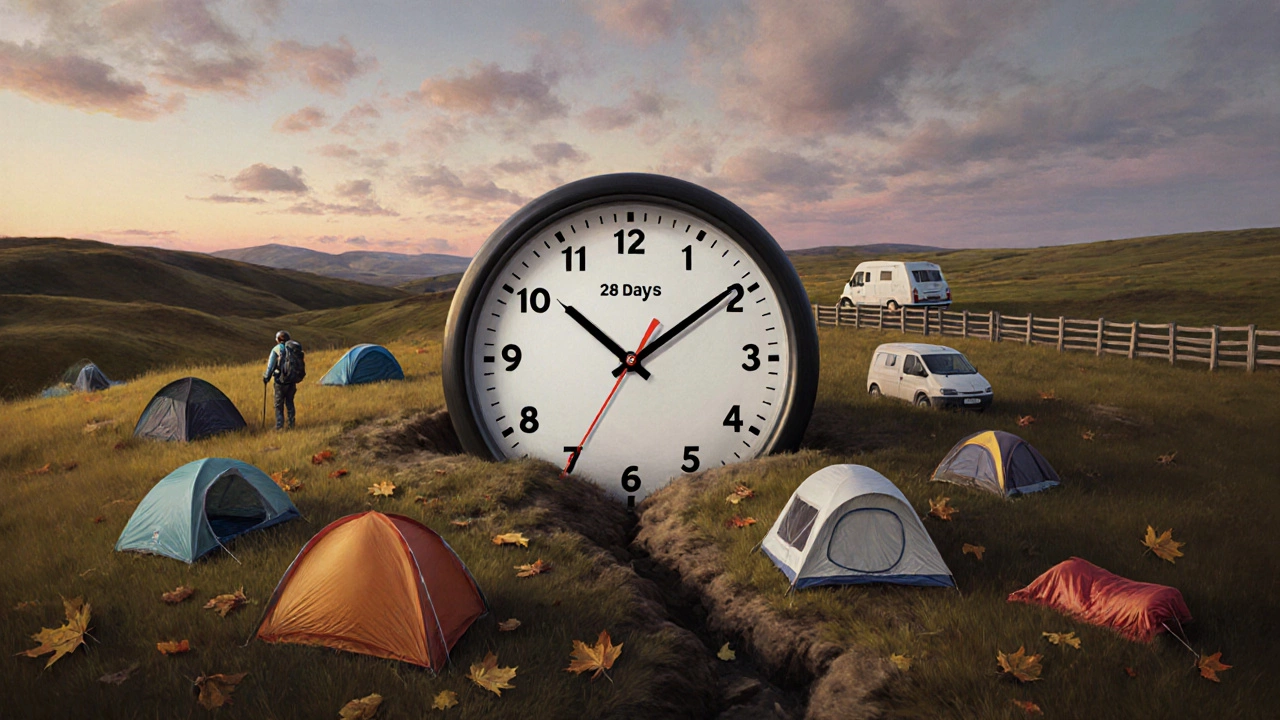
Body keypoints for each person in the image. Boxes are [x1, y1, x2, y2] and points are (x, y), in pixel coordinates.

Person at [263, 331, 299, 430]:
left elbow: (270, 367)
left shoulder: (276, 349)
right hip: (292, 380)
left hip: (280, 381)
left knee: (278, 404)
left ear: (279, 339)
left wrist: (266, 378)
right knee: (290, 402)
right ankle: (291, 424)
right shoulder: (294, 348)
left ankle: (279, 426)